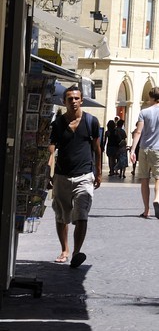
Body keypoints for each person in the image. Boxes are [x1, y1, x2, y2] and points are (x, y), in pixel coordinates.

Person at [48, 85, 102, 267]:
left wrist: (98, 172)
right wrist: (49, 172)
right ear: (64, 101)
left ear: (82, 101)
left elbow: (97, 149)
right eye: (69, 99)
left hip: (84, 176)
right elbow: (51, 150)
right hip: (62, 176)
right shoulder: (57, 124)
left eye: (76, 98)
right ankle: (64, 249)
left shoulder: (91, 121)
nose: (73, 101)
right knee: (61, 216)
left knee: (81, 215)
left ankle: (77, 252)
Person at [128, 87, 159, 219]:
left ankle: (146, 209)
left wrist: (132, 150)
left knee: (144, 179)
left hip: (144, 149)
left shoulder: (144, 112)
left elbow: (138, 132)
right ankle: (157, 199)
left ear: (152, 98)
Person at [104, 111, 128, 179]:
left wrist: (103, 146)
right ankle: (116, 170)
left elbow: (105, 141)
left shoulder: (107, 132)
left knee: (110, 159)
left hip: (109, 146)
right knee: (117, 159)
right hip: (116, 147)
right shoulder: (116, 132)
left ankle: (111, 171)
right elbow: (119, 139)